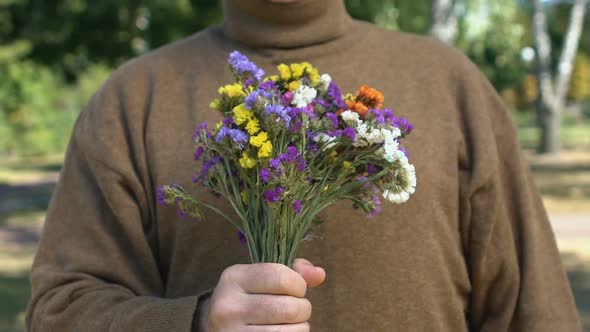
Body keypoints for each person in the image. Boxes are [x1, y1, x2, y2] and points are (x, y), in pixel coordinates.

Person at [26, 0, 582, 331]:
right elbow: (60, 310)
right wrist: (192, 322)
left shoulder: (451, 84)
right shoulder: (133, 99)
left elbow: (535, 311)